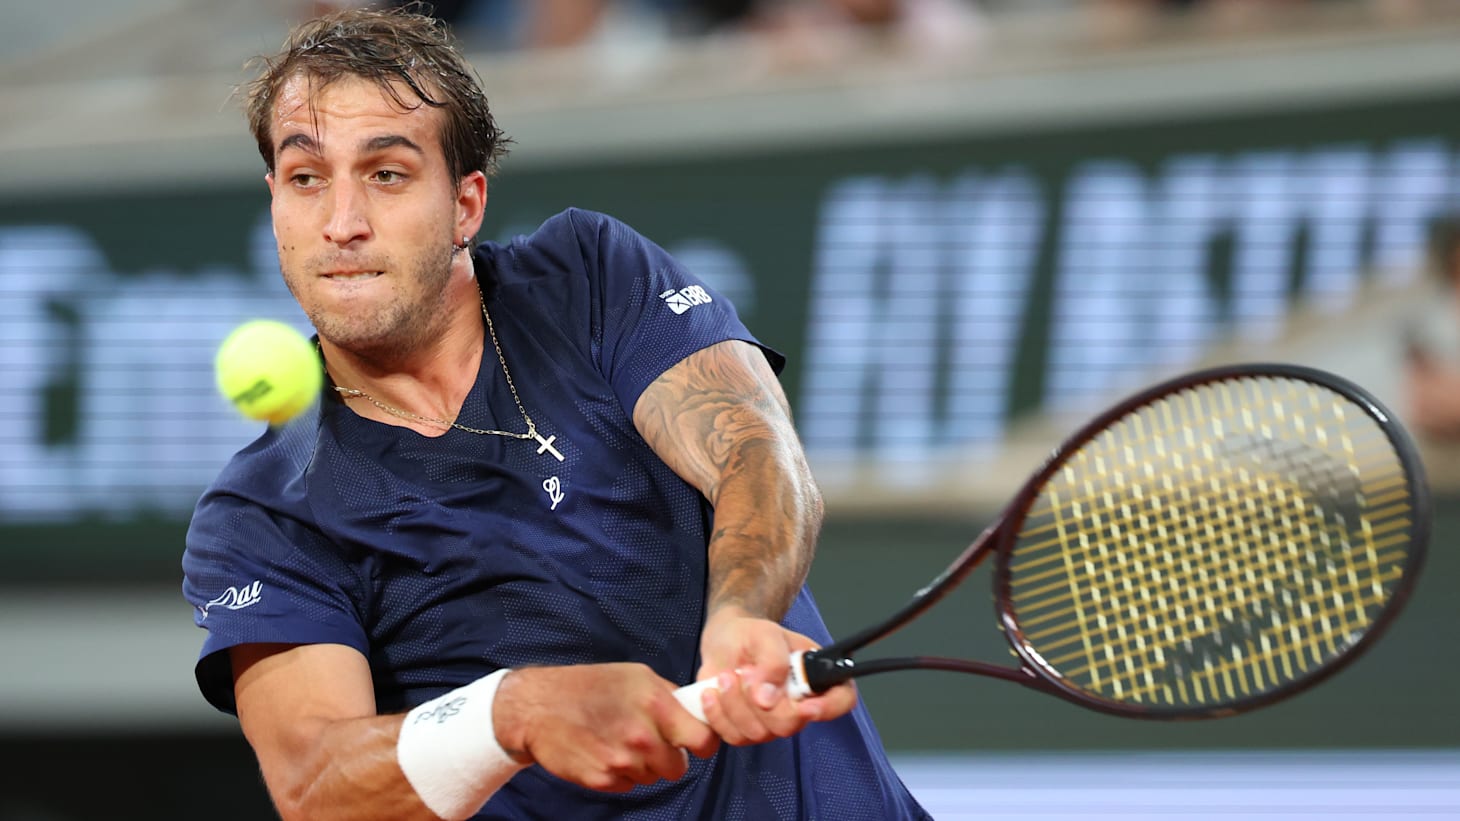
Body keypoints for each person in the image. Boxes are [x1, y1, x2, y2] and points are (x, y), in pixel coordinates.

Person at [181, 7, 929, 820]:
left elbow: (753, 445)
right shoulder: (262, 514)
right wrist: (514, 714)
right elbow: (315, 781)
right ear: (275, 202)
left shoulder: (588, 279)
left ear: (465, 204)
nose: (341, 223)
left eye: (387, 174)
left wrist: (742, 614)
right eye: (306, 178)